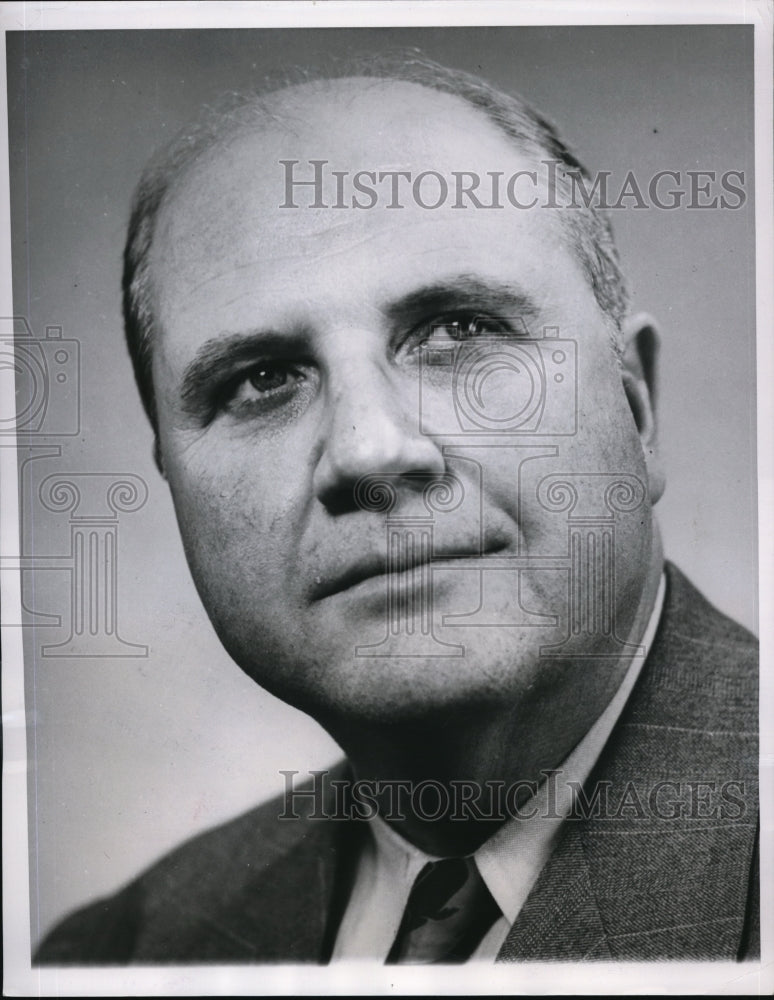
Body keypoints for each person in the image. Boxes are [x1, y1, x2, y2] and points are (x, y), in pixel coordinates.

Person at [34, 54, 758, 964]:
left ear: (637, 407)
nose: (370, 450)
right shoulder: (118, 954)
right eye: (263, 380)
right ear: (173, 477)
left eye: (458, 330)